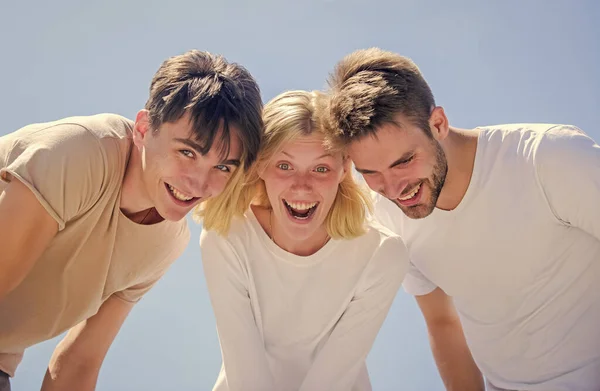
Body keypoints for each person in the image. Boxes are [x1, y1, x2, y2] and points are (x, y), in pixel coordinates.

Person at [325, 47, 600, 391]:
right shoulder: (388, 215)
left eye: (403, 161)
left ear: (438, 123)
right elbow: (442, 322)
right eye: (371, 173)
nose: (394, 188)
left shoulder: (549, 157)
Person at [0, 49, 263, 391]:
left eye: (223, 167)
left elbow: (78, 364)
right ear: (143, 128)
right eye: (187, 152)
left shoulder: (166, 242)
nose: (198, 183)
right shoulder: (80, 152)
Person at [198, 90, 408, 391]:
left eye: (321, 168)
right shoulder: (227, 238)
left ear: (343, 170)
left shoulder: (381, 253)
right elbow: (246, 374)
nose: (302, 187)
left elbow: (333, 378)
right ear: (260, 167)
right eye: (284, 166)